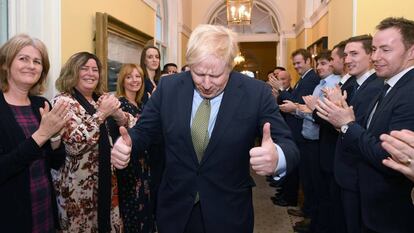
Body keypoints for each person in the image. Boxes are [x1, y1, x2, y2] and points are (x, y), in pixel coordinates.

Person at [111, 24, 299, 233]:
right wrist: (127, 144)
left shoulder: (256, 93)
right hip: (175, 210)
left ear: (229, 65)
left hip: (229, 212)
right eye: (199, 74)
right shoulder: (168, 88)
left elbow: (288, 145)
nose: (207, 84)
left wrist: (277, 158)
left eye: (216, 75)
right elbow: (144, 131)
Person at [316, 17, 414, 233]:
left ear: (411, 52)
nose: (376, 57)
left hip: (388, 209)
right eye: (374, 49)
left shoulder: (409, 91)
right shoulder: (389, 85)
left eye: (385, 50)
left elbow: (390, 158)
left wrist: (347, 125)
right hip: (372, 198)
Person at [52, 52, 135, 233]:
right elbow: (74, 146)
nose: (91, 73)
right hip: (77, 192)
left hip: (107, 183)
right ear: (72, 72)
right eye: (85, 68)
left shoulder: (102, 98)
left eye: (95, 69)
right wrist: (101, 114)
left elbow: (135, 123)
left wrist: (118, 115)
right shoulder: (63, 102)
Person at [0, 34, 69, 232]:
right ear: (5, 64)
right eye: (23, 59)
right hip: (10, 214)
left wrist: (55, 137)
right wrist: (41, 135)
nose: (31, 66)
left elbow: (55, 162)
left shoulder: (42, 104)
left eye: (37, 61)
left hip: (43, 205)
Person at [109, 63, 154, 233]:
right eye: (129, 77)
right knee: (132, 209)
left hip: (145, 165)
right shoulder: (119, 104)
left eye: (138, 77)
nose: (134, 80)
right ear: (122, 80)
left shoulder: (143, 104)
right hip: (129, 166)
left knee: (146, 207)